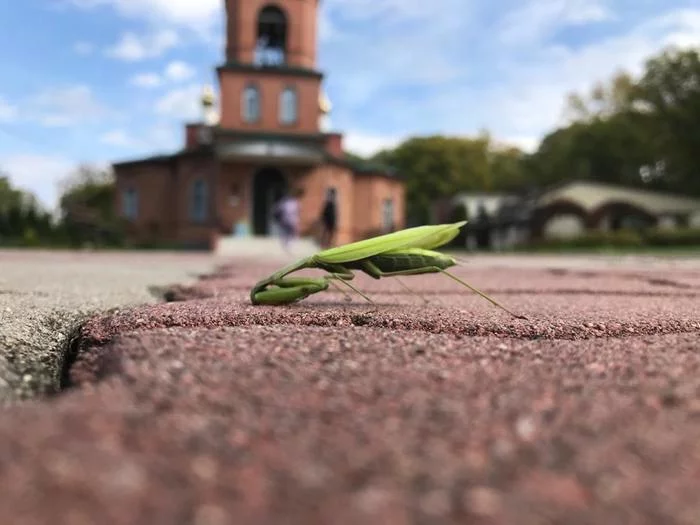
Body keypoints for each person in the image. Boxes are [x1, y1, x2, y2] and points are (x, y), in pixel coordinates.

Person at [274, 187, 303, 253]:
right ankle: (289, 244)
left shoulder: (284, 203)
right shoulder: (294, 202)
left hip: (285, 220)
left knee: (286, 232)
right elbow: (299, 210)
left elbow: (277, 210)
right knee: (291, 233)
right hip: (291, 220)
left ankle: (286, 244)